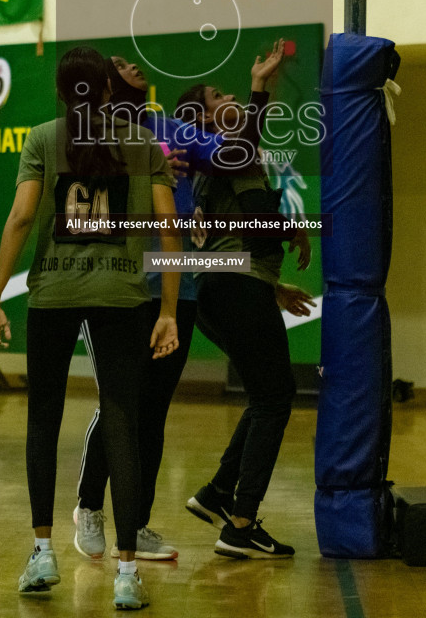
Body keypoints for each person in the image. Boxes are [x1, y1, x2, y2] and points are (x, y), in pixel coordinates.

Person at [0, 46, 180, 611]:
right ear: (110, 91)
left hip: (52, 293)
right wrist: (167, 309)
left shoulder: (44, 138)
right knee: (123, 421)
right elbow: (170, 226)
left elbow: (21, 217)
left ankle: (42, 553)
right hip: (123, 296)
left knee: (42, 420)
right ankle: (125, 572)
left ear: (60, 91)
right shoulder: (144, 143)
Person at [73, 45, 285, 563]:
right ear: (103, 82)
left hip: (178, 288)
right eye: (122, 64)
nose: (134, 65)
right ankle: (88, 507)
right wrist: (145, 174)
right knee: (120, 402)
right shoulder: (90, 138)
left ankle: (137, 520)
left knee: (154, 410)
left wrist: (258, 92)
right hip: (120, 287)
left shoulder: (170, 128)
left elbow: (237, 154)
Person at [175, 81, 315, 560]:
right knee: (276, 398)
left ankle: (217, 492)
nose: (228, 97)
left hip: (220, 288)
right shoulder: (233, 153)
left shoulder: (213, 161)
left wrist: (272, 288)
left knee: (264, 396)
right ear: (205, 119)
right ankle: (240, 522)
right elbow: (255, 219)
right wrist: (294, 230)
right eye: (218, 96)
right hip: (235, 287)